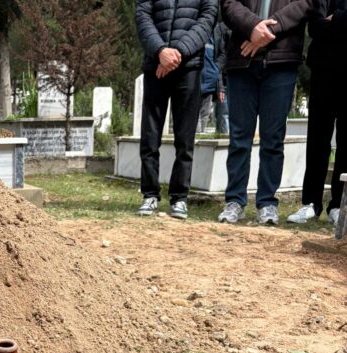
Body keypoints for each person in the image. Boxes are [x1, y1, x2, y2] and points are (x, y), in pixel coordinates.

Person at [219, 0, 317, 226]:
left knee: (273, 139)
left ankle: (267, 202)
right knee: (239, 138)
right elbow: (228, 4)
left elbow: (306, 3)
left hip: (281, 60)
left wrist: (268, 29)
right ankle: (235, 200)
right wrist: (253, 27)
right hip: (242, 60)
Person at [135, 0, 217, 220]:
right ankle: (150, 194)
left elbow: (207, 19)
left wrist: (177, 53)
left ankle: (179, 197)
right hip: (155, 65)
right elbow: (143, 16)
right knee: (150, 136)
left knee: (185, 138)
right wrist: (160, 51)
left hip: (189, 66)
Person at [287, 0, 347, 224]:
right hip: (323, 68)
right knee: (317, 140)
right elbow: (315, 26)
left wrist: (336, 18)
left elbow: (327, 24)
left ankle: (338, 206)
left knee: (346, 143)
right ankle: (310, 203)